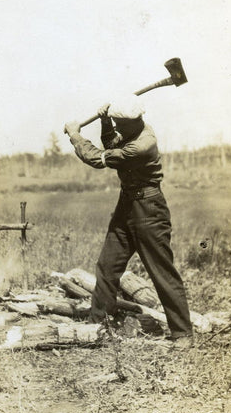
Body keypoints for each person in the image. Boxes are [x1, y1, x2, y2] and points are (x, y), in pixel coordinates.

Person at [64, 95, 193, 348]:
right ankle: (100, 324)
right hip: (127, 206)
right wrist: (104, 122)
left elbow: (98, 159)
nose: (118, 128)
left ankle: (183, 334)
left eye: (119, 124)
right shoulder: (134, 130)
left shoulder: (142, 144)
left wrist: (75, 135)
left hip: (149, 209)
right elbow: (112, 142)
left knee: (161, 271)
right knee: (107, 265)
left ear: (134, 121)